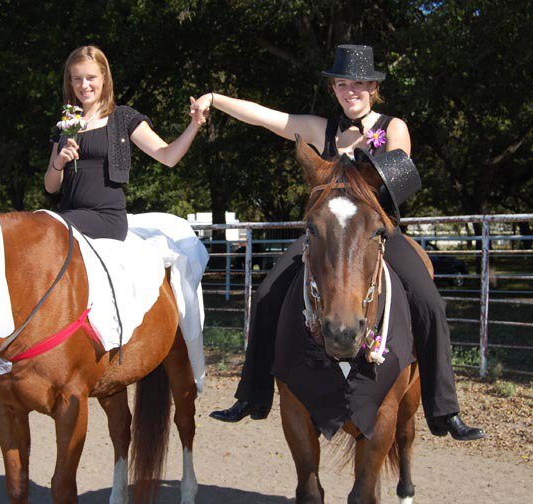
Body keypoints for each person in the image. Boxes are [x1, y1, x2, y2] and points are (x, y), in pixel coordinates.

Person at [191, 44, 483, 441]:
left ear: (372, 88)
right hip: (329, 236)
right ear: (334, 90)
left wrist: (359, 155)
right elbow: (268, 119)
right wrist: (216, 99)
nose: (351, 91)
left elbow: (401, 183)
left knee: (428, 300)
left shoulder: (392, 126)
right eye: (343, 84)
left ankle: (443, 408)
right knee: (265, 295)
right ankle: (253, 396)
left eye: (359, 84)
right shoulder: (321, 128)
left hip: (378, 232)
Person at [45, 45, 204, 240]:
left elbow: (168, 156)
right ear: (70, 82)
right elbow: (51, 187)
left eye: (91, 78)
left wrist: (194, 125)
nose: (84, 85)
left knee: (44, 225)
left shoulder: (122, 117)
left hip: (105, 218)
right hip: (67, 218)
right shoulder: (65, 125)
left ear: (104, 78)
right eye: (77, 78)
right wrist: (58, 164)